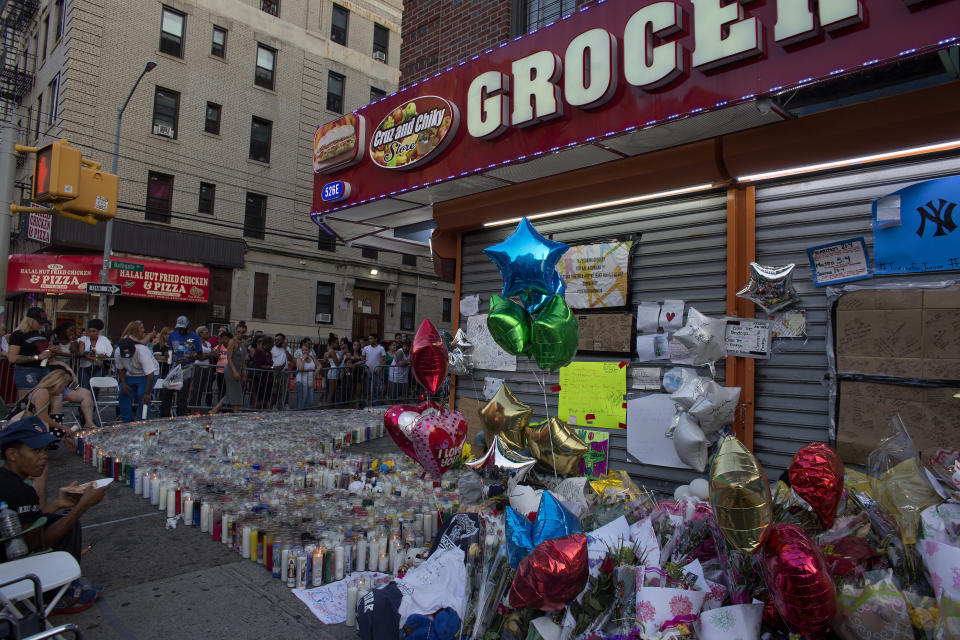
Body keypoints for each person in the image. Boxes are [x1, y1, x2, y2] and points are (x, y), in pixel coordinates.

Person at [0, 416, 107, 612]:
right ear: (12, 454)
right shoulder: (19, 491)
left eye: (44, 450)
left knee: (56, 518)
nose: (43, 457)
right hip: (7, 568)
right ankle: (54, 595)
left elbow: (28, 524)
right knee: (68, 524)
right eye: (35, 451)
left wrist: (57, 503)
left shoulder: (7, 479)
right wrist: (81, 507)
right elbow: (35, 542)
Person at [7, 308, 95, 429]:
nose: (41, 325)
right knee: (28, 404)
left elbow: (46, 355)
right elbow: (12, 358)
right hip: (27, 372)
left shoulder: (41, 334)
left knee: (55, 398)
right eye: (39, 322)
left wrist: (53, 352)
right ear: (30, 320)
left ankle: (53, 432)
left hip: (44, 370)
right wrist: (38, 357)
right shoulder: (18, 334)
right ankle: (25, 432)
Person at [115, 321, 158, 423]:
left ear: (133, 349)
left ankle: (142, 421)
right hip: (131, 373)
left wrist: (147, 393)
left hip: (148, 374)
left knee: (142, 395)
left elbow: (150, 374)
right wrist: (124, 384)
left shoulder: (142, 351)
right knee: (123, 393)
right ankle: (126, 421)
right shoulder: (117, 352)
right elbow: (120, 369)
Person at [162, 316, 202, 417]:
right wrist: (167, 353)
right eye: (179, 328)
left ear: (188, 326)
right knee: (167, 392)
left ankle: (181, 416)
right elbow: (169, 348)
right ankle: (164, 416)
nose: (180, 330)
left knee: (182, 396)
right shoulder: (173, 335)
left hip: (187, 369)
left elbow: (200, 355)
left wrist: (188, 360)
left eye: (182, 328)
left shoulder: (195, 337)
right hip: (174, 368)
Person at [210, 322, 246, 415]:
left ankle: (216, 409)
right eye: (238, 332)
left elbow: (243, 359)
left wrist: (244, 371)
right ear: (235, 331)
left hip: (237, 369)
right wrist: (235, 372)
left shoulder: (243, 343)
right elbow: (229, 358)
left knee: (234, 391)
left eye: (242, 332)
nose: (240, 334)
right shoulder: (232, 341)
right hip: (230, 369)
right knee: (234, 390)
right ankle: (231, 410)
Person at [77, 319, 112, 389]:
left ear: (98, 331)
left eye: (94, 331)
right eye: (89, 331)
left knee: (96, 388)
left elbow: (108, 354)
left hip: (99, 367)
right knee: (84, 387)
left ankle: (93, 400)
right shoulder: (83, 339)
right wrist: (95, 359)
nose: (91, 333)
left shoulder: (104, 339)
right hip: (85, 367)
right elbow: (82, 353)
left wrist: (95, 355)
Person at [190, 326, 214, 409]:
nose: (208, 333)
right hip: (198, 366)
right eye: (206, 332)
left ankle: (198, 405)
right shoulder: (196, 342)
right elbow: (200, 357)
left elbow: (214, 354)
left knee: (202, 387)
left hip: (206, 367)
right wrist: (209, 355)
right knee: (196, 387)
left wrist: (206, 355)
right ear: (200, 333)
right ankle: (193, 406)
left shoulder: (208, 343)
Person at [361, 333, 386, 404]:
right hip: (367, 371)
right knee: (366, 388)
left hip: (376, 372)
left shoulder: (381, 348)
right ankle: (365, 402)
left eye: (371, 338)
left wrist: (379, 369)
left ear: (376, 339)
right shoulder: (366, 348)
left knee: (377, 388)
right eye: (369, 338)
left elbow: (384, 360)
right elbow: (363, 360)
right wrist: (363, 371)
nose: (369, 340)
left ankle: (376, 403)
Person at [294, 338, 317, 410]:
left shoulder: (312, 357)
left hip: (310, 382)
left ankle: (305, 413)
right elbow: (300, 369)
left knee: (310, 402)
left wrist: (317, 370)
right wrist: (303, 359)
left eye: (306, 350)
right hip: (301, 381)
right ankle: (300, 413)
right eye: (303, 350)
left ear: (309, 351)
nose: (304, 352)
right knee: (302, 399)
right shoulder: (299, 358)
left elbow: (319, 365)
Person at [250, 336, 272, 410]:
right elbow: (257, 364)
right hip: (259, 378)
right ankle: (254, 411)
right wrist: (267, 367)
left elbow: (271, 362)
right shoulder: (258, 352)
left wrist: (270, 367)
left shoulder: (269, 353)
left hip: (268, 378)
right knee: (259, 397)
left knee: (266, 398)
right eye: (269, 345)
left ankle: (263, 411)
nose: (270, 347)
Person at [321, 335, 343, 406]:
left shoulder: (329, 352)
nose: (338, 344)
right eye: (336, 343)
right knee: (332, 392)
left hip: (333, 371)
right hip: (333, 371)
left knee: (332, 391)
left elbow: (325, 361)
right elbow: (337, 363)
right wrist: (343, 356)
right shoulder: (332, 352)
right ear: (332, 343)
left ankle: (329, 406)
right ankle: (328, 407)